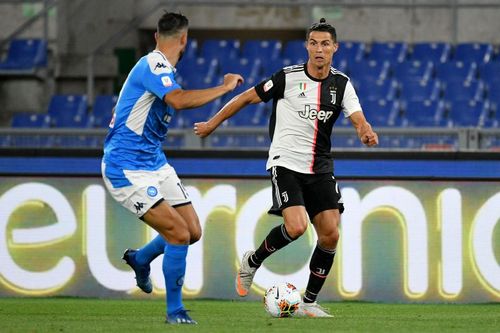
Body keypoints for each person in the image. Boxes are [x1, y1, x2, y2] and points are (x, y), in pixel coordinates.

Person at [194, 18, 378, 317]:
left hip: (319, 166)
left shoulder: (341, 84)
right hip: (285, 161)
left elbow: (358, 117)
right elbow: (246, 97)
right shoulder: (286, 78)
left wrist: (365, 131)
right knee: (296, 226)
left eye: (325, 44)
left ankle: (308, 302)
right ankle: (252, 262)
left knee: (330, 234)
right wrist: (212, 124)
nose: (319, 49)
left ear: (335, 48)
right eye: (314, 43)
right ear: (307, 46)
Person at [101, 12, 243, 325]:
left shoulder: (157, 70)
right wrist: (223, 88)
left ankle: (141, 258)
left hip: (154, 162)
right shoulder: (154, 65)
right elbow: (178, 101)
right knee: (177, 233)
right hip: (126, 167)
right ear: (184, 40)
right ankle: (175, 311)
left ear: (156, 35)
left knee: (192, 231)